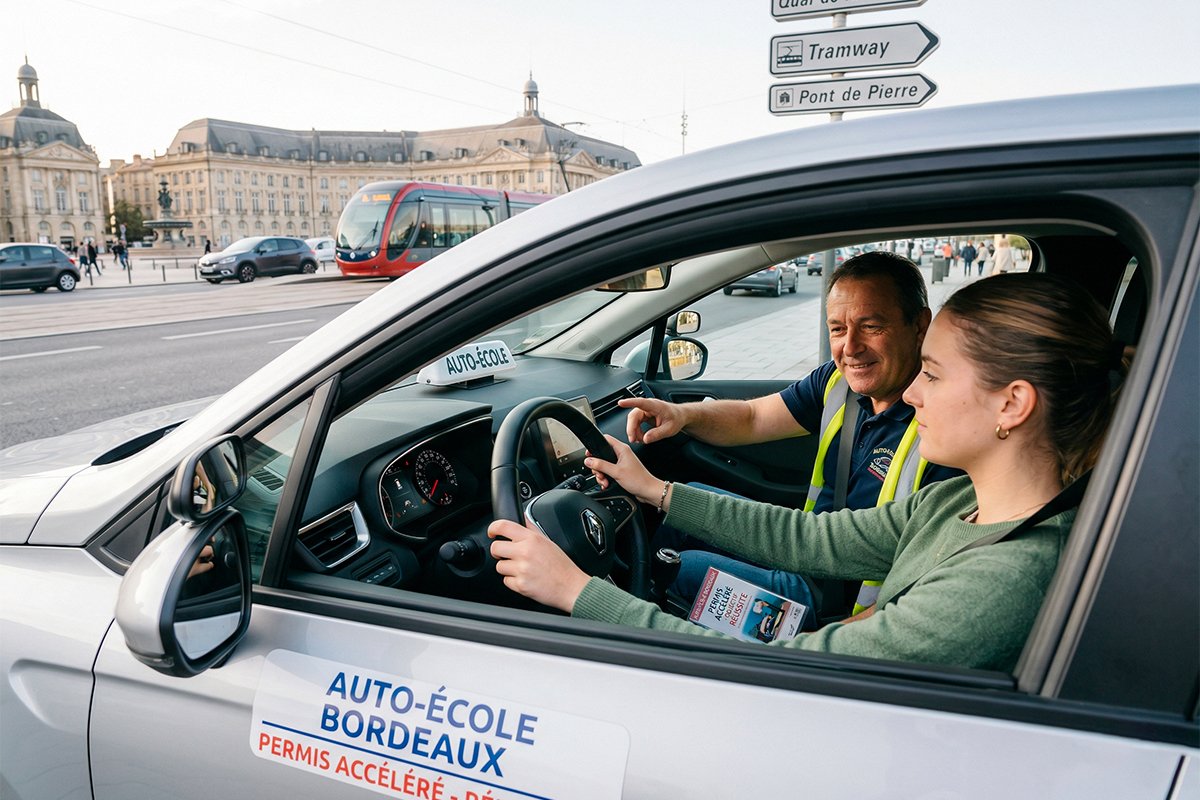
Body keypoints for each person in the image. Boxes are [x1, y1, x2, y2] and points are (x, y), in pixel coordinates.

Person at [489, 272, 1126, 671]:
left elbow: (769, 669)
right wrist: (656, 492)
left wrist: (579, 594)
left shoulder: (1001, 582)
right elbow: (811, 540)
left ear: (1012, 404)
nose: (913, 396)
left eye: (931, 375)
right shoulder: (957, 501)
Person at [619, 252, 961, 616]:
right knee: (689, 505)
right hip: (805, 547)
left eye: (872, 326)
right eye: (838, 329)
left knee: (680, 568)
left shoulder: (942, 430)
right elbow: (752, 417)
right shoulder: (837, 382)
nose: (850, 347)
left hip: (838, 603)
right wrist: (682, 415)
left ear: (920, 326)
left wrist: (836, 641)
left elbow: (920, 586)